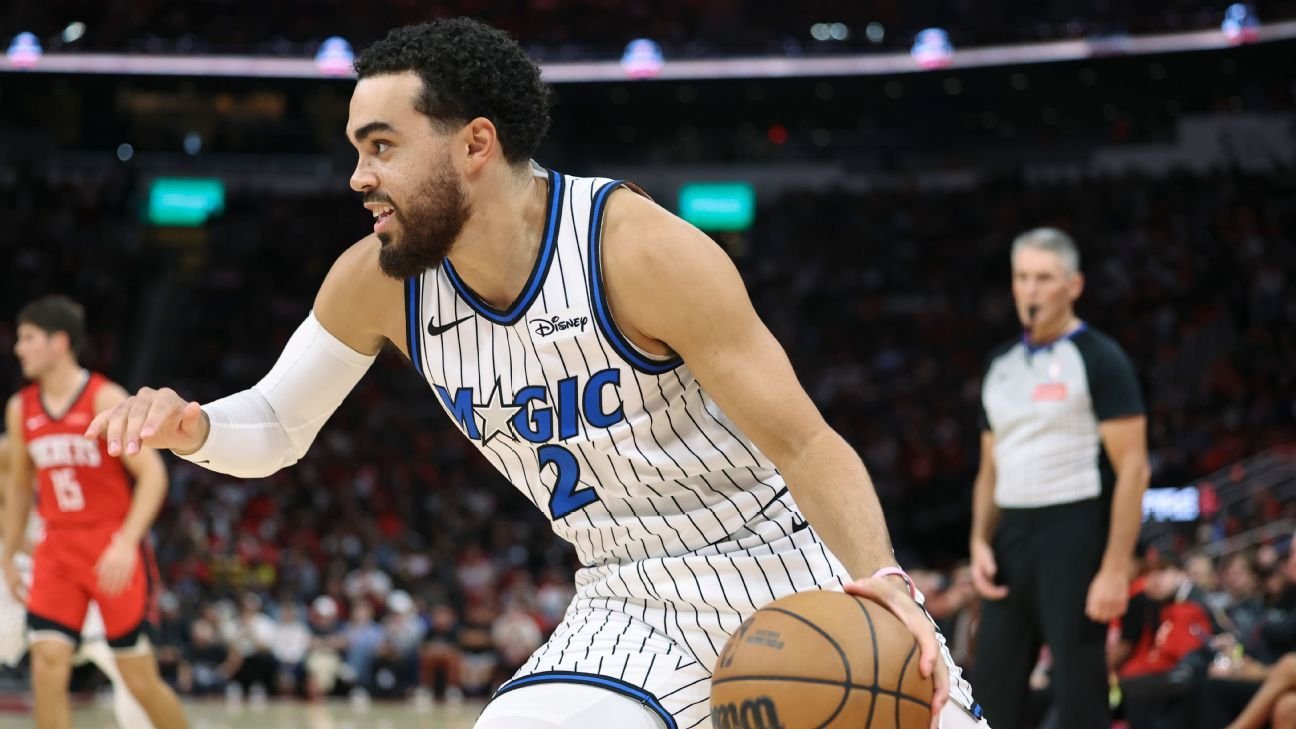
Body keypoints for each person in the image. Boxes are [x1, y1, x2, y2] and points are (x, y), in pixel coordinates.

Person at [86, 18, 987, 729]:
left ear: (475, 144)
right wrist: (193, 426)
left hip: (790, 568)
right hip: (626, 599)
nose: (358, 176)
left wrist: (886, 582)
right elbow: (278, 426)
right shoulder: (377, 282)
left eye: (382, 145)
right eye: (357, 149)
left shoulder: (637, 249)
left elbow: (806, 442)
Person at [968, 228, 1151, 729]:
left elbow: (1134, 468)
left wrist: (1115, 568)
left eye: (1044, 278)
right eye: (1022, 277)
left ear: (1074, 286)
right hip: (1011, 538)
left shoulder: (1099, 358)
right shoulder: (999, 364)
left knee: (1079, 697)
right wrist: (979, 542)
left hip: (1075, 531)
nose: (1030, 289)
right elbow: (989, 469)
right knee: (988, 694)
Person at [2, 296, 188, 729]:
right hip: (56, 548)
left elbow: (153, 475)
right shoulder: (20, 407)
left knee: (137, 678)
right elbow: (18, 488)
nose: (18, 348)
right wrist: (9, 553)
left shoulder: (104, 397)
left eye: (28, 338)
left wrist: (125, 543)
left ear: (59, 342)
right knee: (47, 665)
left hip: (109, 547)